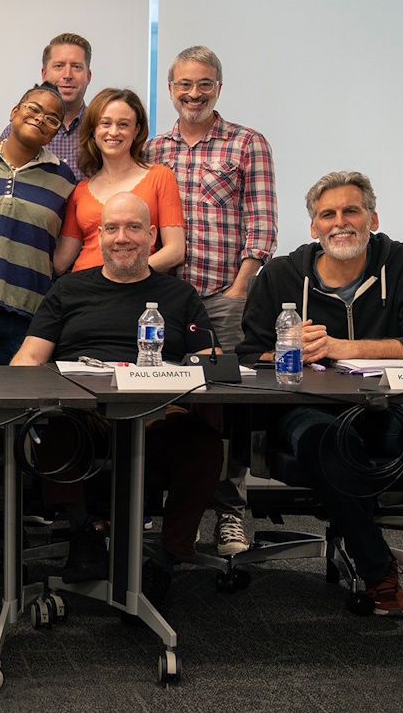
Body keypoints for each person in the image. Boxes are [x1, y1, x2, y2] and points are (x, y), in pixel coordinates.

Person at [236, 171, 403, 647]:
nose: (340, 222)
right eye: (328, 214)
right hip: (309, 409)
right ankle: (377, 567)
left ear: (372, 219)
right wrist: (289, 349)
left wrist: (345, 347)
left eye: (351, 211)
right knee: (330, 440)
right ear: (314, 227)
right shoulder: (281, 274)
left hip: (392, 406)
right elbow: (248, 354)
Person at [11, 193, 223, 605]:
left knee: (204, 444)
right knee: (52, 423)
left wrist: (200, 366)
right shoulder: (68, 289)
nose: (121, 238)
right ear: (100, 236)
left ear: (152, 235)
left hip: (158, 416)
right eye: (111, 228)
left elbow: (210, 362)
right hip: (84, 415)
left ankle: (165, 558)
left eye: (133, 227)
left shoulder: (179, 295)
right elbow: (28, 359)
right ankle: (84, 534)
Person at [144, 45, 278, 555]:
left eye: (204, 84)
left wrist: (240, 288)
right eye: (184, 84)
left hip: (223, 295)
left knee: (225, 406)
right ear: (171, 89)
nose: (193, 93)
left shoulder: (247, 143)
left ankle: (229, 512)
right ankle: (175, 510)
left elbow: (260, 222)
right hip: (164, 302)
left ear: (218, 88)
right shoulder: (153, 149)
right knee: (163, 400)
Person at [0, 82, 77, 365]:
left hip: (27, 310)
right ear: (14, 112)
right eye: (34, 109)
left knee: (18, 390)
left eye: (52, 119)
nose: (40, 119)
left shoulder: (64, 180)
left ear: (55, 133)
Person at [53, 88, 185, 274]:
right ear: (93, 130)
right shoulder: (80, 190)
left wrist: (119, 277)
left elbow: (175, 251)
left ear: (136, 130)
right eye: (105, 123)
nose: (113, 132)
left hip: (136, 286)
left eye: (123, 124)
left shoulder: (159, 177)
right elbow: (60, 263)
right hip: (83, 286)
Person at [0, 32, 93, 175]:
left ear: (88, 76)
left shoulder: (101, 129)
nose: (67, 75)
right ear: (44, 74)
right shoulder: (20, 128)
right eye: (59, 66)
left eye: (76, 67)